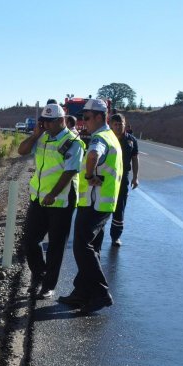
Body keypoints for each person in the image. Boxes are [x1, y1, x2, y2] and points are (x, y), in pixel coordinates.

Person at [58, 98, 123, 314]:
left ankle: (101, 293)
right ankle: (82, 292)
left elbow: (93, 154)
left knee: (82, 246)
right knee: (91, 247)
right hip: (103, 202)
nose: (83, 122)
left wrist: (89, 174)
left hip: (95, 202)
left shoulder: (100, 138)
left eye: (86, 118)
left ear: (99, 117)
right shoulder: (110, 136)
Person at [17, 103, 84, 299]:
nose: (45, 125)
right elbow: (22, 151)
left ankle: (48, 285)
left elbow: (70, 171)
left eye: (49, 122)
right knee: (30, 241)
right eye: (43, 121)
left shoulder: (73, 142)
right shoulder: (43, 137)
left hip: (61, 200)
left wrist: (53, 194)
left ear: (61, 121)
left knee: (55, 245)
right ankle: (39, 273)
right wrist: (36, 134)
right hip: (38, 197)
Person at [109, 113, 139, 246]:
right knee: (101, 205)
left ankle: (116, 236)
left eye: (120, 124)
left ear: (125, 124)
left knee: (120, 207)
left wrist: (136, 177)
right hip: (107, 177)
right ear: (111, 125)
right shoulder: (106, 138)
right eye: (115, 124)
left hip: (123, 178)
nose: (118, 127)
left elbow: (135, 159)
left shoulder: (131, 140)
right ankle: (96, 233)